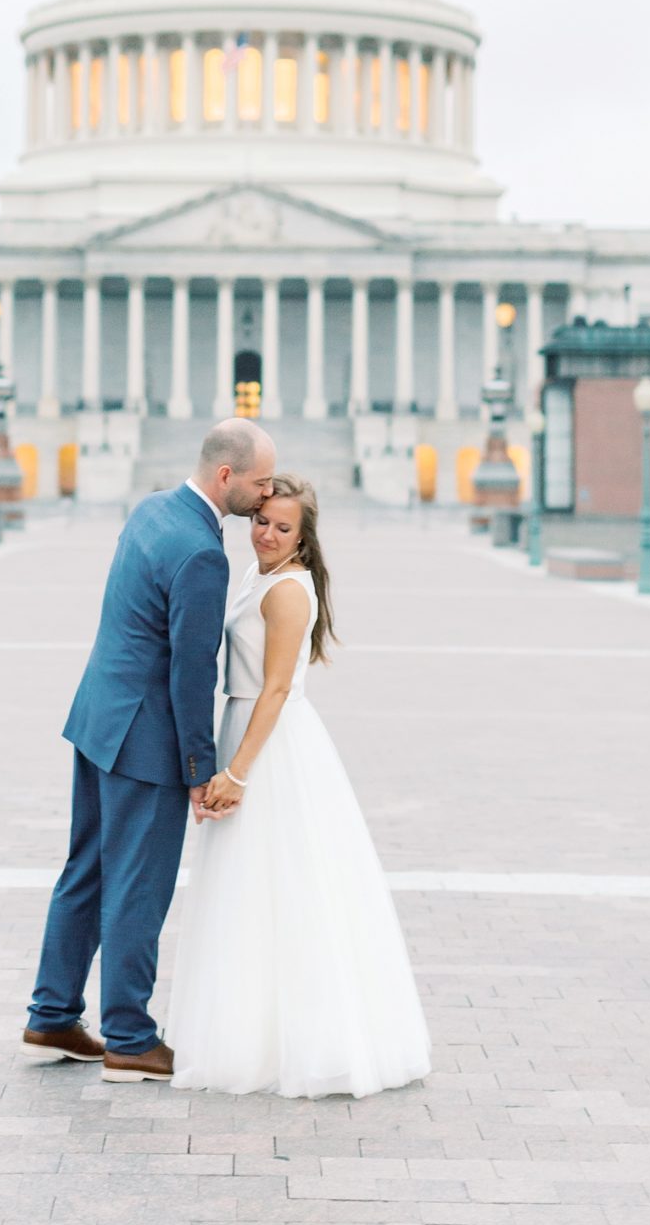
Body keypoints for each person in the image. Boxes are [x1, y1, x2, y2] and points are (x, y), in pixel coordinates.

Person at [21, 418, 276, 1083]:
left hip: (99, 718)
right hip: (143, 739)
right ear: (226, 476)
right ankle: (129, 1037)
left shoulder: (151, 511)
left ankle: (50, 1017)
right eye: (260, 481)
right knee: (137, 885)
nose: (267, 492)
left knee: (86, 872)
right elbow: (192, 669)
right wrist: (200, 767)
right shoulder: (201, 552)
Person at [166, 474, 431, 1097]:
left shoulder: (287, 591)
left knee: (283, 884)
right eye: (261, 522)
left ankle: (303, 1041)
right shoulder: (259, 578)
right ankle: (248, 1032)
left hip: (269, 742)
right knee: (248, 891)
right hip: (245, 724)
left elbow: (279, 688)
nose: (267, 534)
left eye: (283, 528)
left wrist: (236, 771)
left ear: (304, 539)